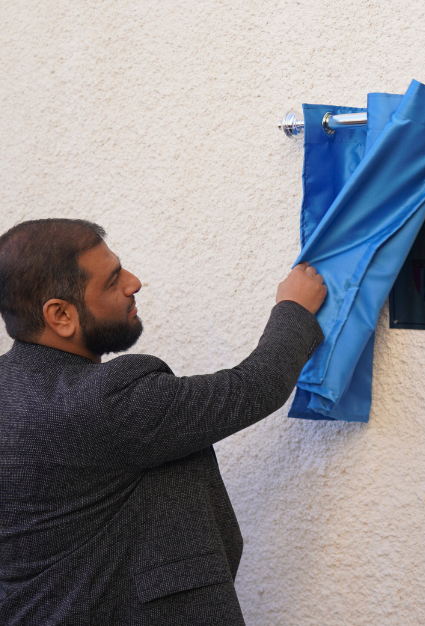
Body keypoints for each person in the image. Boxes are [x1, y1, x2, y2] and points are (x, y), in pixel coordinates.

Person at [0, 219, 327, 625]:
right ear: (61, 314)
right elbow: (253, 388)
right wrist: (295, 308)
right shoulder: (108, 402)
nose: (134, 283)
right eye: (113, 280)